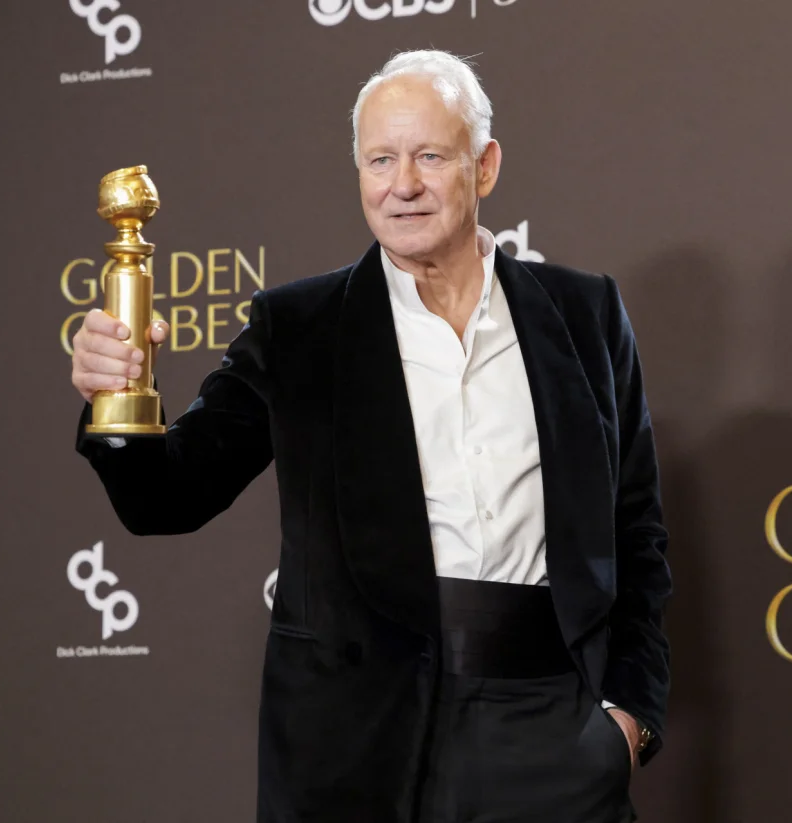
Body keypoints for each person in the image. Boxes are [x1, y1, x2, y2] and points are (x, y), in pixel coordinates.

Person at [70, 49, 671, 823]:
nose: (403, 184)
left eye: (429, 156)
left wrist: (627, 720)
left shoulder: (586, 315)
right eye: (380, 159)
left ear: (484, 166)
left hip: (553, 728)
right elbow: (167, 497)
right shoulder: (298, 328)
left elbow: (637, 530)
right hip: (363, 740)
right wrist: (116, 403)